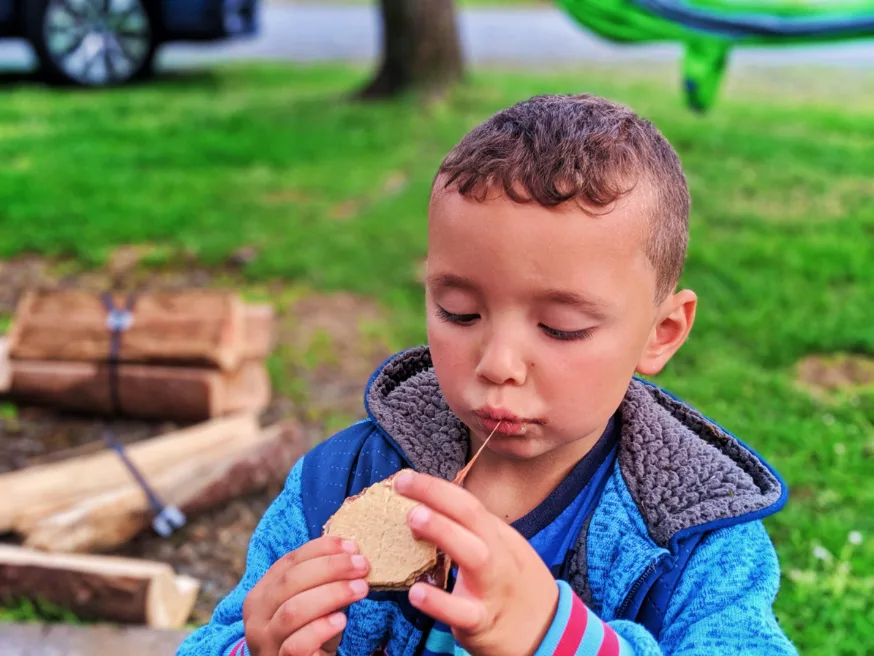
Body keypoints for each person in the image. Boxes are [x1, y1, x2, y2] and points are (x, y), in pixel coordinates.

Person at [177, 93, 797, 656]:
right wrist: (255, 648)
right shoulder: (339, 483)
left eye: (560, 327)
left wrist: (559, 639)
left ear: (661, 333)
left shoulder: (695, 539)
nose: (498, 364)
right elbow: (219, 636)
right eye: (459, 312)